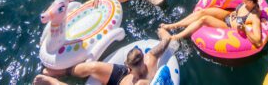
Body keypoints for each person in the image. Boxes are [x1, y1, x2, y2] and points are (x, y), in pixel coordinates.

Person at [33, 26, 173, 85]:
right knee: (93, 67)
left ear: (130, 68)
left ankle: (53, 82)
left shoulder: (144, 82)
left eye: (128, 67)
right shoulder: (150, 56)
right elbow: (166, 39)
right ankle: (62, 72)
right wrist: (162, 30)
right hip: (121, 77)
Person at [160, 0, 263, 46]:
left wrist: (244, 29)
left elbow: (258, 42)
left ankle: (175, 37)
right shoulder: (247, 2)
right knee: (202, 12)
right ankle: (173, 25)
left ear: (250, 2)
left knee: (204, 19)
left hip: (228, 26)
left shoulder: (254, 16)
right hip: (228, 15)